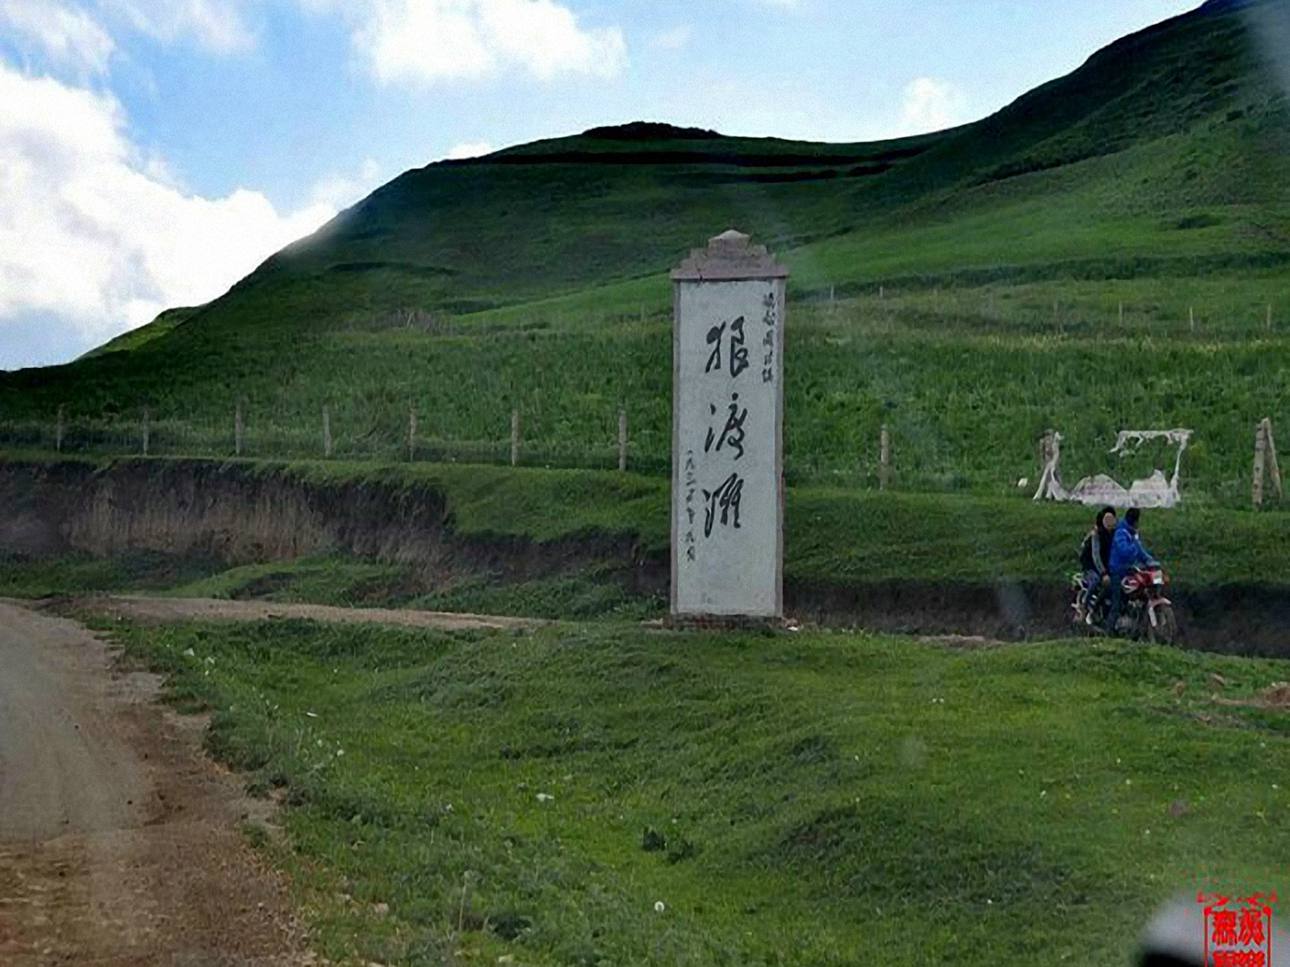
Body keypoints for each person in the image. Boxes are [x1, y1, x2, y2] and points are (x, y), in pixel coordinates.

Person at [1103, 507, 1157, 634]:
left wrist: (1151, 562)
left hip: (1128, 570)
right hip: (1117, 571)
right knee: (1116, 603)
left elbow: (1141, 553)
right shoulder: (1121, 533)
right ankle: (1108, 631)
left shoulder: (1131, 533)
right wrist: (1135, 544)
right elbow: (1125, 552)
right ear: (1134, 521)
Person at [1078, 506, 1116, 623]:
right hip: (1090, 565)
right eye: (1107, 519)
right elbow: (1095, 555)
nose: (1110, 522)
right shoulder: (1096, 534)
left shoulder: (1115, 534)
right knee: (1095, 581)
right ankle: (1085, 606)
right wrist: (1103, 573)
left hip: (1105, 565)